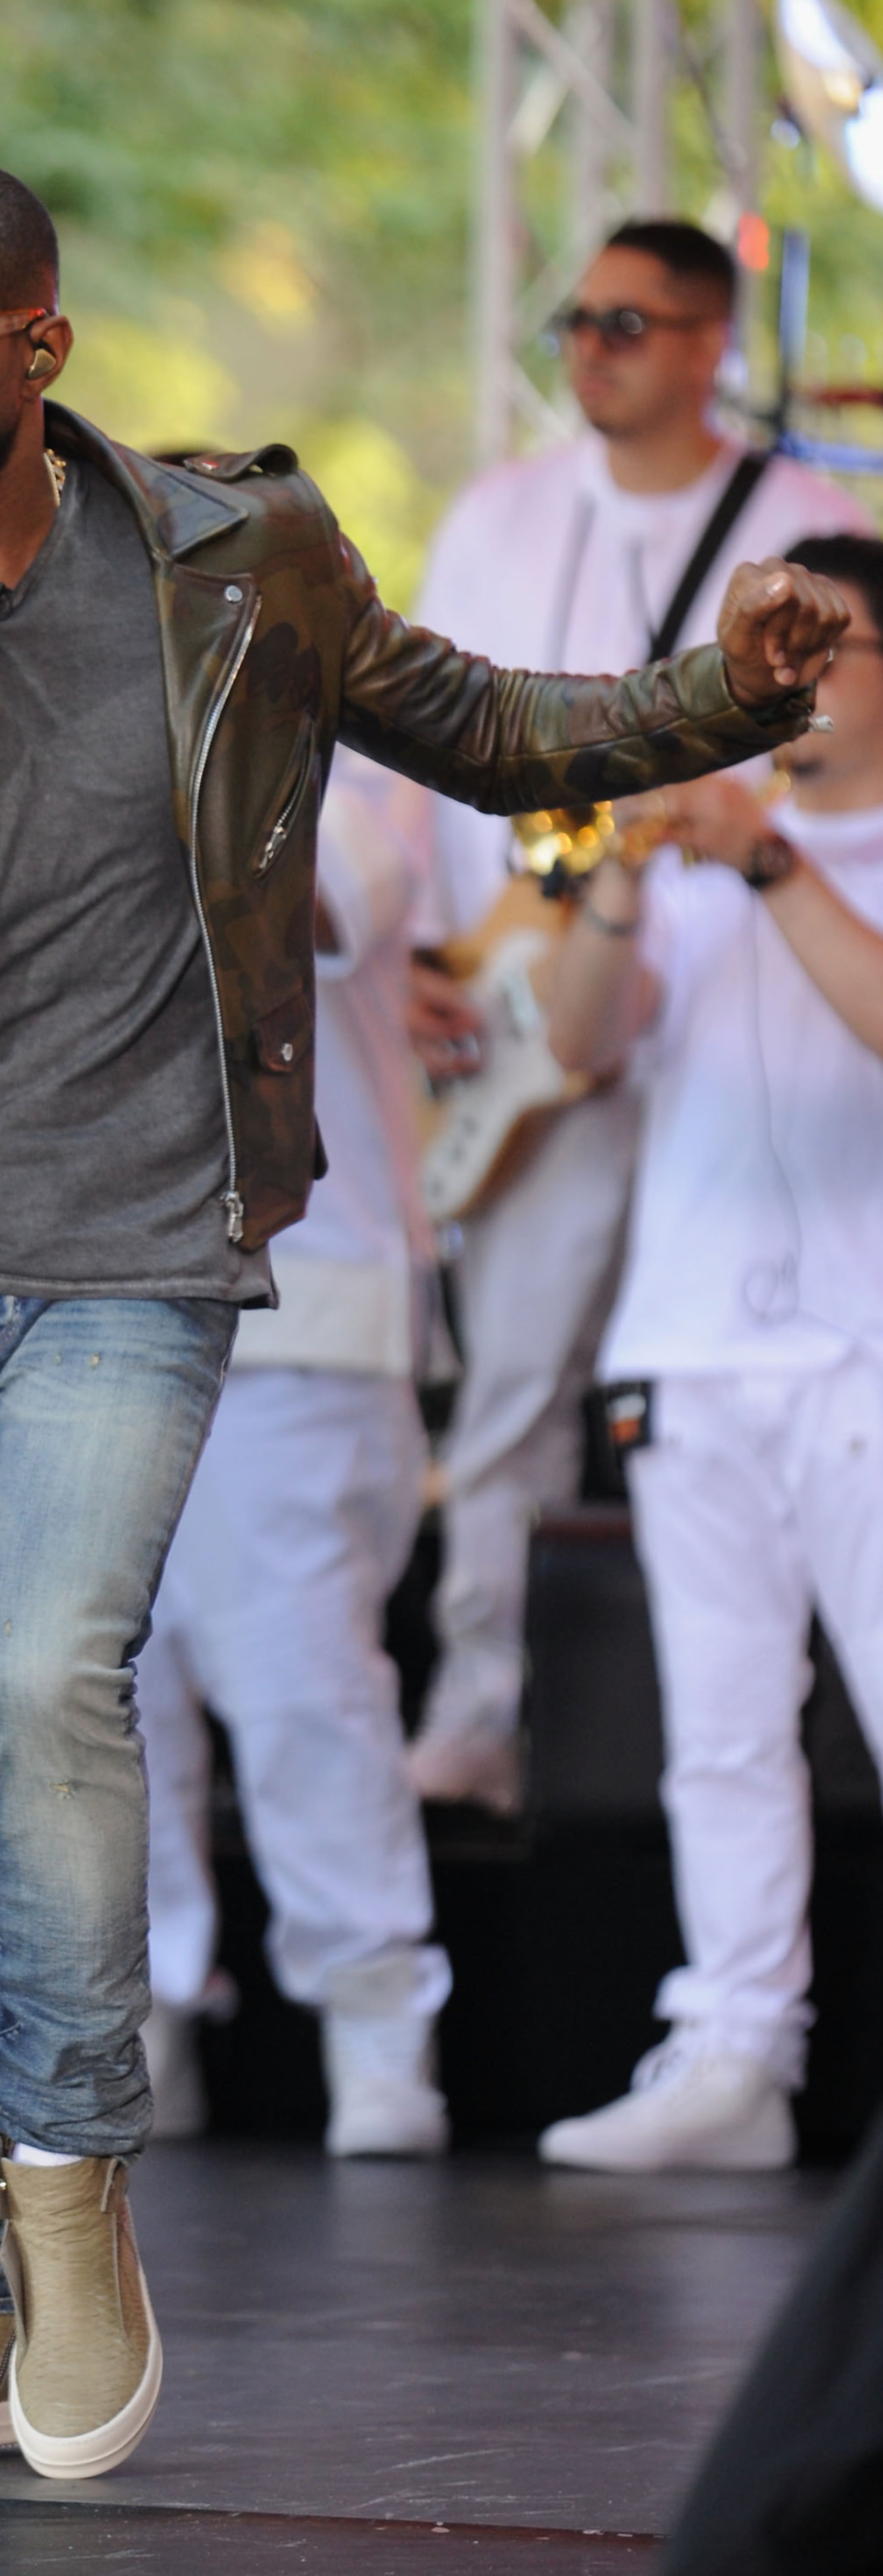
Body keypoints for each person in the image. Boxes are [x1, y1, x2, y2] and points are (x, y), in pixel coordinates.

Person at [0, 157, 843, 2479]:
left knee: (47, 1669)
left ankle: (70, 2193)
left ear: (37, 348)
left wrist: (725, 694)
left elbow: (489, 727)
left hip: (136, 1237)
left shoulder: (230, 554)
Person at [403, 220, 868, 1817]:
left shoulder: (804, 527)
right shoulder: (497, 513)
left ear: (705, 343)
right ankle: (478, 1703)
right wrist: (419, 956)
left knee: (784, 1386)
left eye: (626, 322)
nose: (590, 349)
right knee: (515, 1383)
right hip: (537, 997)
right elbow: (409, 752)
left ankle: (812, 1731)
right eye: (575, 320)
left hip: (747, 1006)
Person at [537, 533, 883, 2172]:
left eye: (827, 651)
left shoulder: (790, 849)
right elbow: (574, 1040)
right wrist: (622, 869)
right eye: (775, 653)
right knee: (720, 1736)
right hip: (686, 1341)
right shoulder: (696, 846)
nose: (795, 683)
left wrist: (766, 859)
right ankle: (735, 2050)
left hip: (861, 1350)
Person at [137, 750, 450, 2157]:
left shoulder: (345, 746)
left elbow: (317, 905)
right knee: (98, 1697)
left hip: (302, 1308)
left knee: (301, 1692)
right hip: (92, 1297)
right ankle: (135, 2015)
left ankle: (376, 2023)